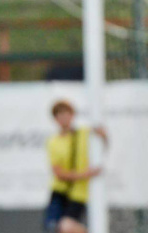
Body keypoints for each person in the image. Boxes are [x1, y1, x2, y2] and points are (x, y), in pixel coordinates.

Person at [45, 100, 108, 233]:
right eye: (59, 115)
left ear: (72, 115)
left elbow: (103, 143)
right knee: (51, 228)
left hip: (78, 193)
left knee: (65, 226)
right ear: (55, 119)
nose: (63, 118)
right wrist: (84, 174)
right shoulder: (53, 141)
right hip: (60, 192)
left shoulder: (84, 134)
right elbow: (58, 172)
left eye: (66, 114)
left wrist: (104, 136)